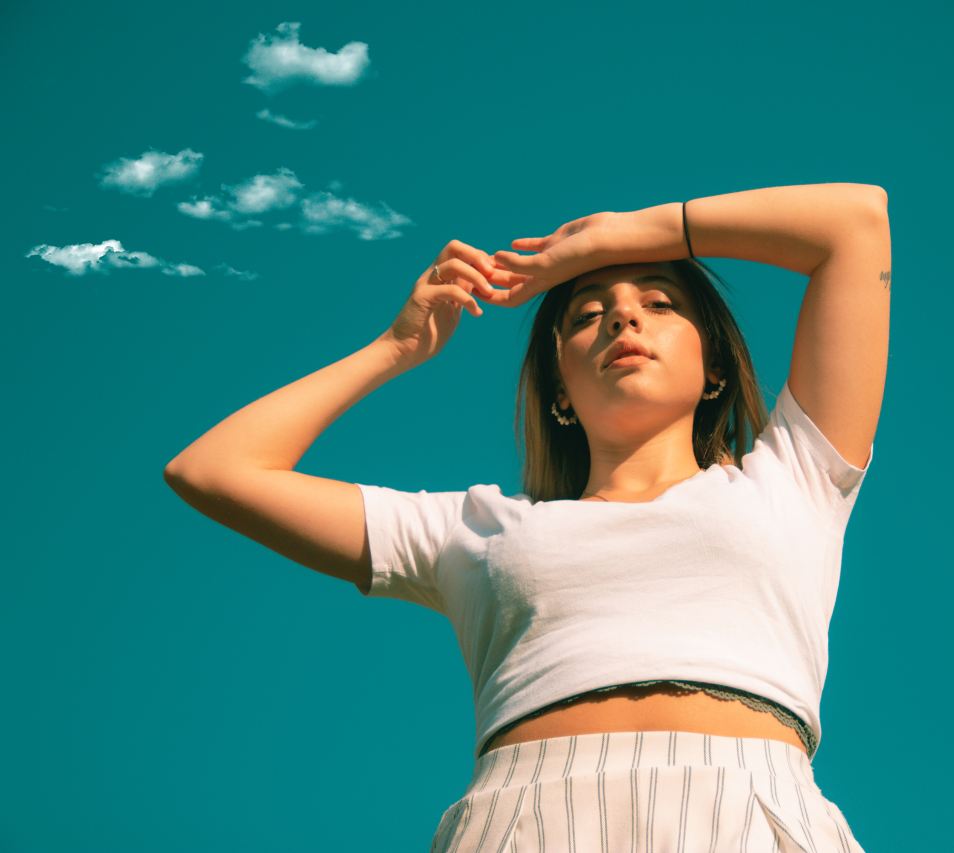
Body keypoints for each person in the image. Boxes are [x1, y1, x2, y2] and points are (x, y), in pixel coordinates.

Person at [164, 182, 891, 852]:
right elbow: (214, 470)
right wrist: (396, 348)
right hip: (524, 818)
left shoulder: (794, 474)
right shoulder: (472, 528)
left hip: (755, 805)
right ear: (560, 392)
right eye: (586, 315)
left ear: (717, 371)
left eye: (661, 302)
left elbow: (854, 224)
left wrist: (622, 235)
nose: (623, 315)